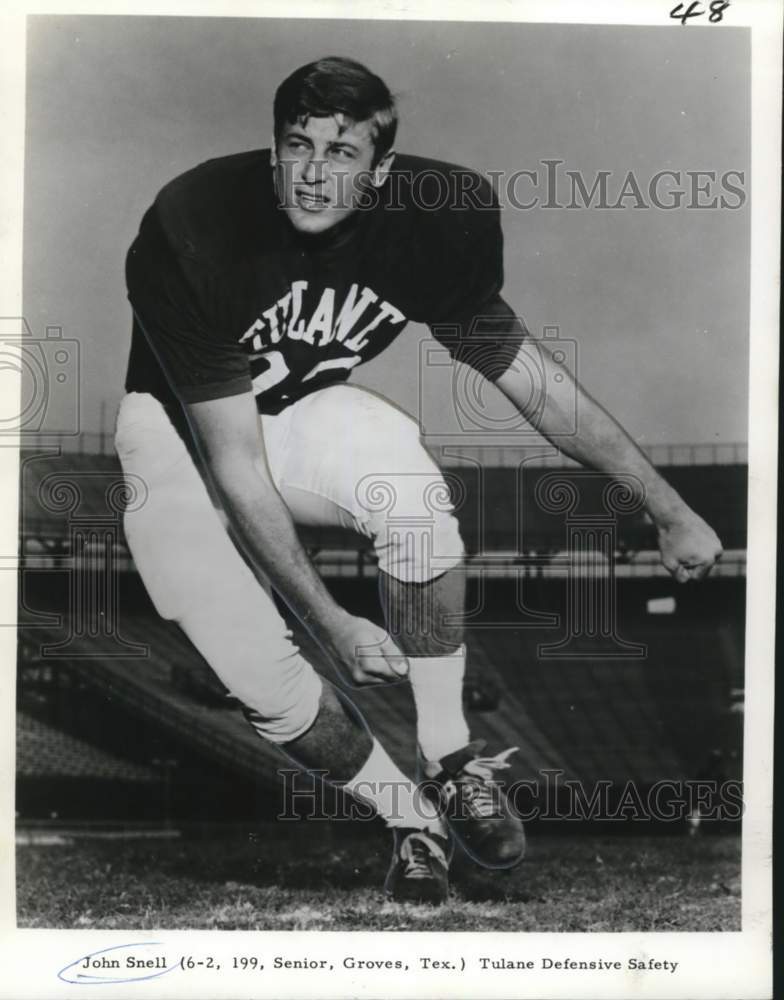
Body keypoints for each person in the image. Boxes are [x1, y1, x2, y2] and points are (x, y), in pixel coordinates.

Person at [117, 56, 723, 903]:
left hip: (301, 405)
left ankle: (449, 757)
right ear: (272, 149)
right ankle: (409, 820)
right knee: (264, 680)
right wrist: (329, 619)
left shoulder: (438, 222)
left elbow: (530, 378)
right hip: (179, 428)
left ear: (383, 172)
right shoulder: (199, 221)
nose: (317, 175)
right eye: (299, 146)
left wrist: (668, 506)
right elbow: (235, 466)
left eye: (343, 154)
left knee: (407, 481)